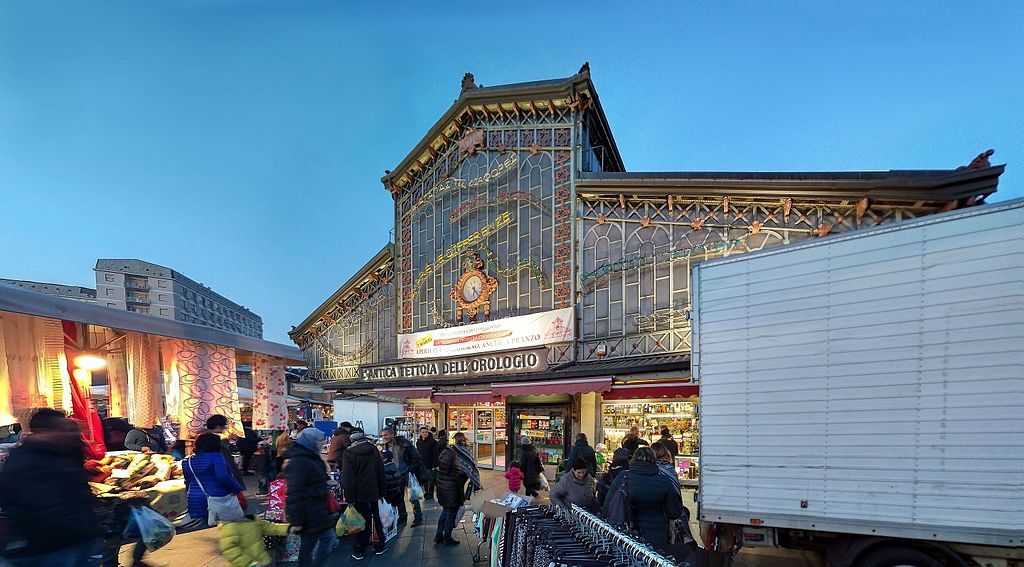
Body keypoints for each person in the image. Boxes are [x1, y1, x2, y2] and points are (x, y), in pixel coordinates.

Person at [0, 409, 100, 567]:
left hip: (75, 540)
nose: (66, 435)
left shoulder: (61, 455)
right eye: (62, 430)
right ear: (44, 431)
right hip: (48, 548)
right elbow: (38, 507)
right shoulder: (24, 462)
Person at [603, 447, 683, 551]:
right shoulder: (664, 481)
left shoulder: (623, 477)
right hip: (656, 532)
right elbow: (674, 513)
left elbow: (608, 504)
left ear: (634, 459)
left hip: (626, 529)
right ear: (654, 460)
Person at [285, 427, 335, 567]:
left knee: (312, 544)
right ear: (310, 441)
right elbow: (294, 491)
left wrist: (326, 481)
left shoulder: (311, 455)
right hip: (308, 510)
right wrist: (296, 520)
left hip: (317, 507)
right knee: (323, 539)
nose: (322, 443)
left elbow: (315, 476)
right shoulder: (300, 461)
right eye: (320, 440)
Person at [341, 428, 388, 560]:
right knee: (375, 518)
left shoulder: (348, 453)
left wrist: (349, 498)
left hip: (358, 494)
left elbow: (348, 478)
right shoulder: (373, 450)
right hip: (373, 491)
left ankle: (359, 549)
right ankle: (379, 545)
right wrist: (382, 491)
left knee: (359, 521)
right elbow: (380, 472)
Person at [182, 432, 246, 526]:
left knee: (204, 528)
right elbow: (223, 477)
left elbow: (188, 481)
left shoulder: (187, 460)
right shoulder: (216, 457)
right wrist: (236, 489)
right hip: (218, 497)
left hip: (195, 498)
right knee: (225, 528)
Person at [434, 432, 480, 546]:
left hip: (442, 487)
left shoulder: (447, 452)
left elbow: (442, 469)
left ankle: (438, 535)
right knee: (451, 512)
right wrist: (475, 481)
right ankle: (447, 537)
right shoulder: (463, 452)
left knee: (445, 511)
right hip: (453, 488)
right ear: (463, 439)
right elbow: (470, 468)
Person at [379, 427, 424, 527]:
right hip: (395, 475)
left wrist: (411, 470)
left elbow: (416, 457)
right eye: (382, 435)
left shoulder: (404, 443)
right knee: (399, 497)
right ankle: (403, 517)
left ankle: (418, 517)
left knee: (413, 497)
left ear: (392, 434)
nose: (384, 437)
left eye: (385, 435)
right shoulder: (384, 447)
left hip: (406, 473)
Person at [205, 414, 244, 484]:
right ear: (218, 426)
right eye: (224, 426)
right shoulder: (219, 439)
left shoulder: (202, 436)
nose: (225, 428)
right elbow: (227, 460)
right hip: (221, 472)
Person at [416, 426, 440, 500]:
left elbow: (436, 454)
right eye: (423, 432)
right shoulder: (418, 442)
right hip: (422, 464)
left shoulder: (433, 442)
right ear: (420, 433)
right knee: (424, 480)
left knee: (430, 480)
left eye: (426, 432)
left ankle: (430, 494)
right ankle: (426, 492)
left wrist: (435, 465)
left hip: (430, 464)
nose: (424, 434)